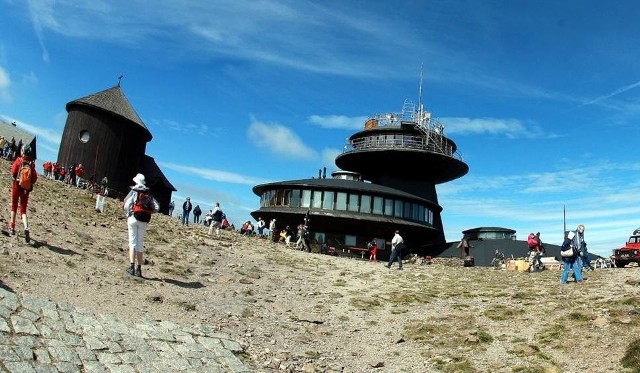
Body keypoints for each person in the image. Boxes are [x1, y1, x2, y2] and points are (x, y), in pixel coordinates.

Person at [123, 173, 160, 278]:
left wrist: (129, 213)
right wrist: (148, 212)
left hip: (133, 218)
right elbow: (157, 207)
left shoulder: (134, 191)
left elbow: (126, 204)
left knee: (132, 243)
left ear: (136, 181)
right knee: (140, 243)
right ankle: (139, 269)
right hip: (144, 220)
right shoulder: (148, 193)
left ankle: (131, 267)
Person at [9, 144, 37, 242]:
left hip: (17, 186)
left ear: (22, 152)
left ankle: (12, 227)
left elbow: (13, 173)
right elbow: (34, 179)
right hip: (26, 190)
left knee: (14, 206)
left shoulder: (18, 161)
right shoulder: (31, 164)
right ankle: (26, 227)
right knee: (23, 210)